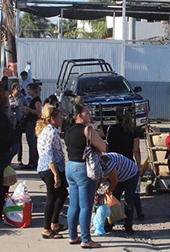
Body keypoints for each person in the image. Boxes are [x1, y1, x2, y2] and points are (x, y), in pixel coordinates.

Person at [64, 103, 107, 249]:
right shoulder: (87, 130)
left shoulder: (68, 130)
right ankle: (86, 239)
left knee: (73, 204)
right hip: (84, 169)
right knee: (86, 206)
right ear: (79, 116)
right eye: (87, 113)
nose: (90, 115)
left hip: (70, 166)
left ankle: (72, 236)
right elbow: (103, 146)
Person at [36, 105, 68, 239]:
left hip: (49, 167)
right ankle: (46, 228)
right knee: (52, 197)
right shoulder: (51, 131)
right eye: (59, 117)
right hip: (50, 168)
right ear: (51, 119)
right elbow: (49, 153)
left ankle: (55, 222)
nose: (61, 120)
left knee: (62, 193)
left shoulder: (47, 130)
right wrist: (56, 174)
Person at [106, 107, 144, 218]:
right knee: (132, 193)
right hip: (128, 164)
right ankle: (138, 213)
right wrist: (139, 165)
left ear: (116, 118)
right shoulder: (132, 130)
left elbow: (105, 146)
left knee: (116, 192)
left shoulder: (110, 129)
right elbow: (136, 149)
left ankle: (116, 215)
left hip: (114, 164)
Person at [100, 152, 139, 236]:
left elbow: (114, 182)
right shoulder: (96, 166)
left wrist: (106, 193)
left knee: (128, 201)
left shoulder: (108, 164)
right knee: (113, 200)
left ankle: (128, 227)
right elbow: (100, 179)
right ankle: (109, 224)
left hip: (131, 174)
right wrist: (95, 191)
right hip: (119, 175)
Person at [20, 82, 42, 170]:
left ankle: (33, 162)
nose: (28, 91)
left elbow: (39, 112)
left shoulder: (37, 100)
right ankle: (31, 161)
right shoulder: (32, 99)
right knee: (30, 143)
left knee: (32, 143)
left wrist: (28, 109)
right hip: (30, 121)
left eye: (29, 90)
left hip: (33, 122)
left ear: (34, 90)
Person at [8, 82, 27, 164]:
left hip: (19, 121)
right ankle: (9, 158)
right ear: (12, 90)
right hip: (10, 122)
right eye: (17, 89)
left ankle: (20, 159)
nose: (18, 90)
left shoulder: (22, 98)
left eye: (20, 89)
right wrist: (10, 107)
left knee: (18, 140)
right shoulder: (8, 97)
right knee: (9, 140)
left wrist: (23, 111)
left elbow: (27, 106)